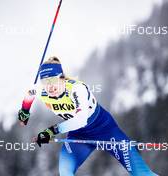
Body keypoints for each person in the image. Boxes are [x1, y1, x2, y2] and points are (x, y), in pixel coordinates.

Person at [18, 56, 158, 176]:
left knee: (142, 174)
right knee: (65, 172)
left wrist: (51, 131)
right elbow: (29, 96)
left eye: (53, 80)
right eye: (46, 82)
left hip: (105, 130)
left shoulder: (77, 89)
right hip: (79, 135)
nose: (50, 87)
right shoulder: (43, 92)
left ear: (61, 78)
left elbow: (81, 120)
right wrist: (24, 113)